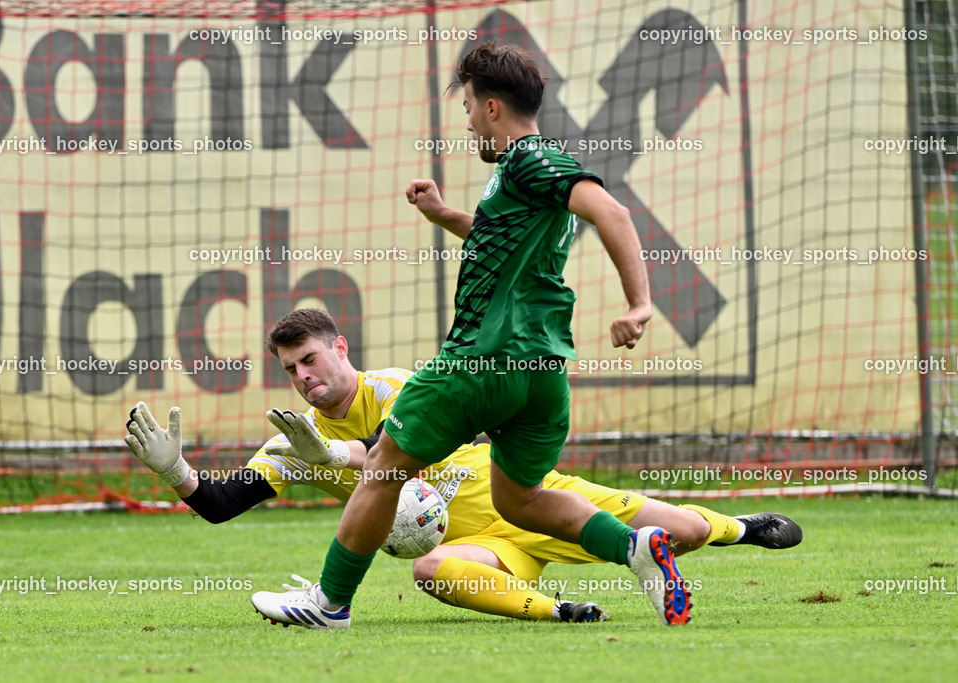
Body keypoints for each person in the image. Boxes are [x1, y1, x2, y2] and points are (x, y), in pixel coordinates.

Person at [239, 40, 714, 629]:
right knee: (520, 499)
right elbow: (504, 244)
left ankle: (329, 604)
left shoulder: (528, 160)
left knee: (385, 465)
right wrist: (447, 218)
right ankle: (634, 548)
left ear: (492, 107)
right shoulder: (520, 182)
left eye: (467, 107)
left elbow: (610, 211)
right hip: (541, 373)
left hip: (481, 360)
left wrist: (640, 304)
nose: (466, 123)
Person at [124, 309, 802, 626]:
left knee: (681, 527)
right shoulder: (290, 441)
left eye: (312, 360)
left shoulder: (395, 387)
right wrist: (176, 469)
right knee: (431, 572)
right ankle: (563, 612)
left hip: (525, 495)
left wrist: (327, 456)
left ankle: (742, 525)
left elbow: (380, 454)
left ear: (340, 347)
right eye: (291, 368)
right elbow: (218, 503)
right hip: (480, 543)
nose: (304, 377)